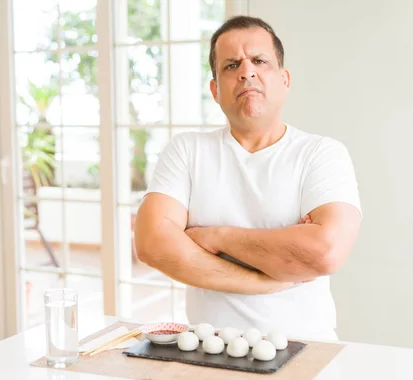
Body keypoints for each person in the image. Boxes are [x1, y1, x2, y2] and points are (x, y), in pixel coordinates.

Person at [134, 15, 362, 341]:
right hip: (210, 351)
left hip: (306, 349)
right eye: (230, 65)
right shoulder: (186, 151)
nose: (246, 71)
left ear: (284, 79)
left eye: (259, 60)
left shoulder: (322, 153)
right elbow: (151, 244)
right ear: (214, 90)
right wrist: (263, 280)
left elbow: (325, 251)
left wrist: (216, 238)